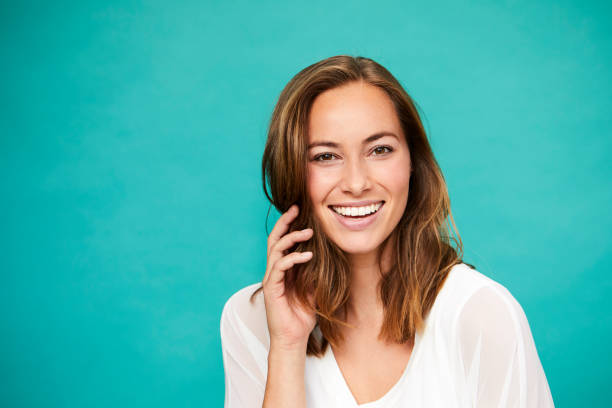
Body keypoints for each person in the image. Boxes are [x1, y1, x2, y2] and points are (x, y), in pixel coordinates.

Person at [220, 55, 554, 407]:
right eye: (325, 156)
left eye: (380, 150)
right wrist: (286, 346)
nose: (357, 182)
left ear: (413, 162)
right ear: (293, 173)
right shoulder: (250, 319)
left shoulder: (483, 315)